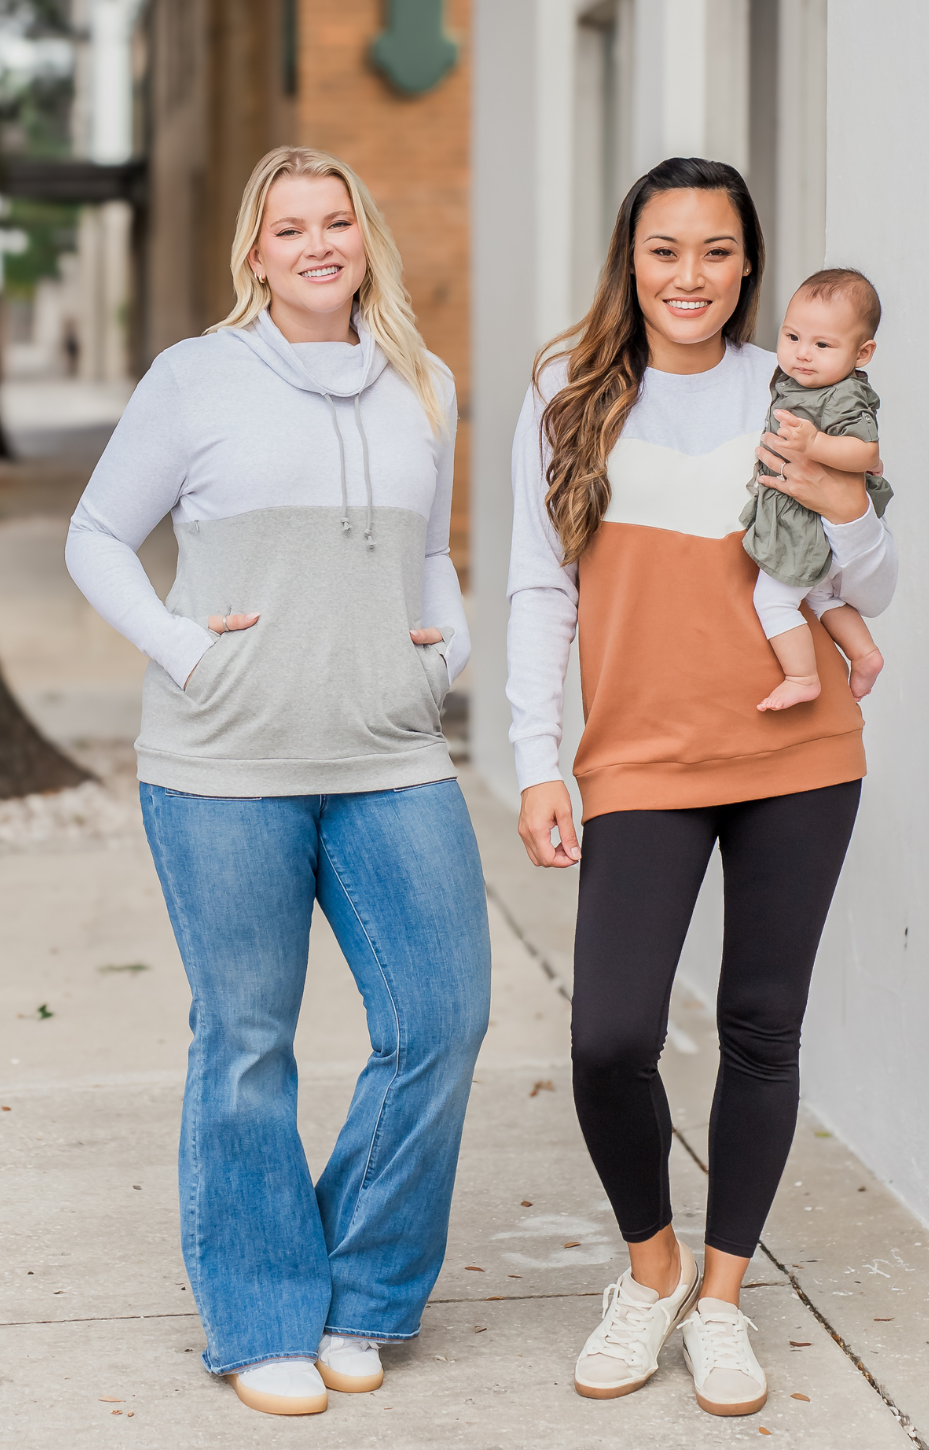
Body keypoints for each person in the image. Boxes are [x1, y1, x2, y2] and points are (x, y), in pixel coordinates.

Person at [66, 146, 490, 1418]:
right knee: (248, 1044)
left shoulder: (428, 383)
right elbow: (98, 536)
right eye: (289, 226)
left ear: (366, 238)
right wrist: (185, 652)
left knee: (442, 1020)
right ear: (255, 251)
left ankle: (361, 1290)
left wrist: (449, 645)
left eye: (336, 221)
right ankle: (259, 1317)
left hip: (390, 754)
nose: (317, 243)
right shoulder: (196, 379)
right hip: (225, 766)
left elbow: (429, 556)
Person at [506, 156, 896, 1417]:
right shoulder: (568, 395)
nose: (691, 276)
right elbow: (537, 587)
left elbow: (868, 581)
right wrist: (534, 758)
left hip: (796, 752)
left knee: (760, 1026)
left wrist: (836, 488)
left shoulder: (794, 391)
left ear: (749, 263)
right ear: (631, 256)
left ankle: (723, 1299)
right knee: (610, 1033)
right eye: (666, 249)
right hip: (640, 756)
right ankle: (652, 1271)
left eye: (717, 251)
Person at [742, 268, 892, 711]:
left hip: (806, 523)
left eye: (822, 345)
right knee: (821, 593)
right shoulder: (795, 381)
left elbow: (868, 453)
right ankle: (865, 654)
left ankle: (801, 676)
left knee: (772, 599)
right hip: (809, 520)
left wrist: (817, 445)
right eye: (791, 337)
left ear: (862, 353)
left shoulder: (843, 395)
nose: (802, 354)